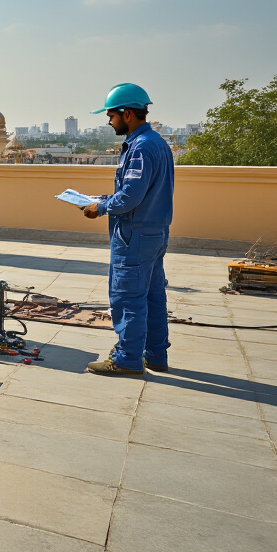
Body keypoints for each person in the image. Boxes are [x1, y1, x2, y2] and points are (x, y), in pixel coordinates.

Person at [82, 83, 174, 376]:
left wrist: (100, 208)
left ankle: (127, 359)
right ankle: (155, 354)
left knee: (128, 297)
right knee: (152, 296)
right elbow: (140, 191)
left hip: (134, 235)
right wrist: (103, 199)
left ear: (127, 114)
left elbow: (131, 196)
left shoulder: (141, 146)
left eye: (111, 116)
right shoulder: (156, 143)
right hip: (154, 232)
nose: (110, 122)